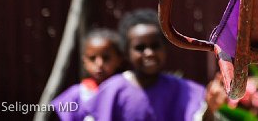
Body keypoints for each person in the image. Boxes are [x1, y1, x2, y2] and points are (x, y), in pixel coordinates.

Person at [84, 8, 226, 121]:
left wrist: (210, 108)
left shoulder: (184, 91)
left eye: (155, 46)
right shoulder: (112, 91)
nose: (149, 53)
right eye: (140, 48)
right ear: (126, 53)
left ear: (165, 48)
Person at [51, 28, 124, 120]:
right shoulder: (75, 95)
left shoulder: (125, 91)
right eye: (92, 58)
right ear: (84, 61)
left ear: (119, 59)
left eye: (106, 58)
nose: (99, 64)